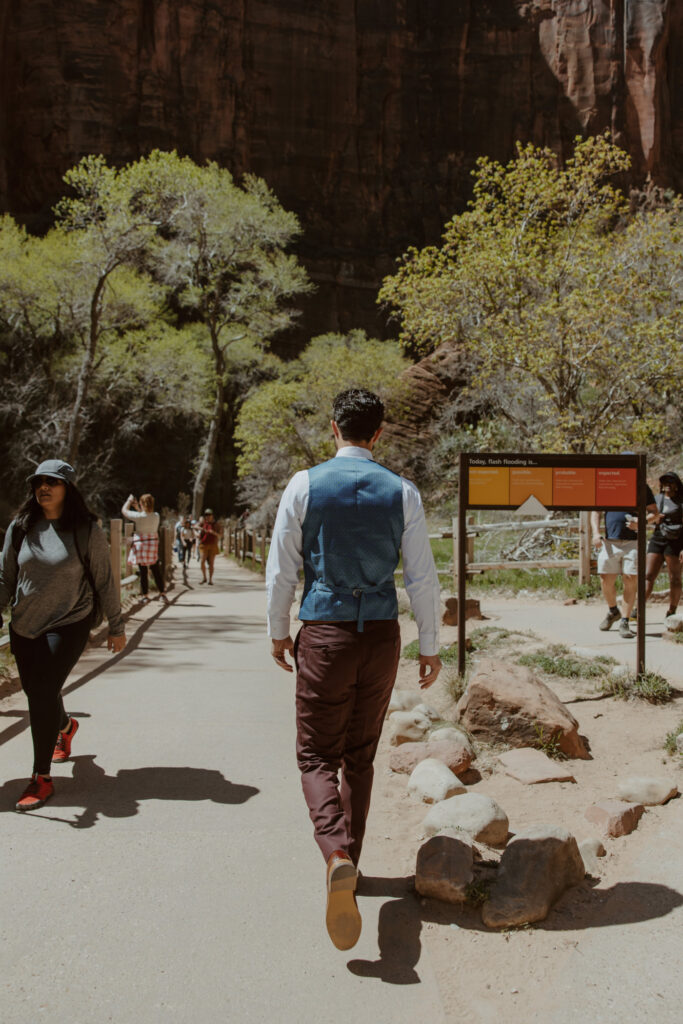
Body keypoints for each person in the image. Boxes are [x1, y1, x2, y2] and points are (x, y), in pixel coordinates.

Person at [266, 388, 442, 951]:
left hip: (326, 632)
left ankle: (335, 853)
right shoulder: (403, 491)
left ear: (332, 427)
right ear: (379, 432)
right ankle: (353, 861)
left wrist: (276, 629)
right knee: (360, 753)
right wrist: (431, 645)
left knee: (317, 753)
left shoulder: (305, 484)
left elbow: (282, 567)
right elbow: (422, 576)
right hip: (382, 635)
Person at [0, 459, 126, 811]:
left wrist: (116, 626)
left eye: (52, 483)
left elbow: (104, 579)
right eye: (39, 482)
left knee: (40, 692)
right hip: (25, 624)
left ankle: (40, 778)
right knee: (38, 690)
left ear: (67, 489)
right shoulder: (21, 526)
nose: (44, 488)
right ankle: (66, 726)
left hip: (70, 621)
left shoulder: (85, 529)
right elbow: (5, 577)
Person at [590, 479, 656, 638]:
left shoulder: (642, 487)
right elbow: (596, 511)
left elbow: (654, 512)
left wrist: (641, 522)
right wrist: (595, 533)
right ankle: (613, 611)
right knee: (606, 578)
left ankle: (625, 621)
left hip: (633, 542)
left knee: (630, 579)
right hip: (609, 541)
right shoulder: (608, 484)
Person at [644, 471, 683, 617]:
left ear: (677, 485)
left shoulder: (681, 502)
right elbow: (649, 516)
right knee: (648, 575)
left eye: (671, 482)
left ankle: (672, 610)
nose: (667, 485)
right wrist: (655, 519)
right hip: (658, 537)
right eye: (665, 482)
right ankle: (638, 608)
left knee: (675, 577)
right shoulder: (657, 499)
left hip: (676, 541)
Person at [122, 492, 166, 600]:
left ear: (142, 504)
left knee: (143, 571)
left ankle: (145, 595)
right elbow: (146, 515)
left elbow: (124, 511)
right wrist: (138, 507)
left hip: (141, 546)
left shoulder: (139, 516)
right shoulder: (156, 516)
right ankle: (162, 594)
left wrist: (129, 501)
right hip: (152, 545)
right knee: (156, 570)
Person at [196, 509, 220, 584]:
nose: (207, 516)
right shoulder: (203, 523)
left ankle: (210, 579)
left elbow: (220, 535)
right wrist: (202, 529)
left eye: (209, 515)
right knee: (202, 561)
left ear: (212, 516)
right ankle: (204, 577)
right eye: (206, 515)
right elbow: (195, 526)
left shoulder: (216, 524)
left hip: (213, 545)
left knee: (211, 563)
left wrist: (213, 533)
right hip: (203, 544)